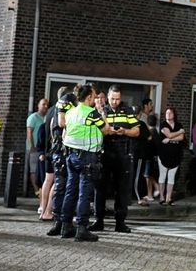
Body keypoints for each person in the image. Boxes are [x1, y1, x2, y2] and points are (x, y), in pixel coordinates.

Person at [58, 84, 104, 241]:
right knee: (84, 193)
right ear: (89, 97)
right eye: (94, 96)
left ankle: (65, 226)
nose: (95, 98)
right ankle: (82, 228)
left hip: (71, 156)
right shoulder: (91, 113)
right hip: (87, 157)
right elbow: (106, 129)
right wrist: (100, 110)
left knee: (70, 190)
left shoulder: (70, 112)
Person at [94, 85, 141, 232]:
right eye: (113, 99)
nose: (115, 102)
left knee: (122, 189)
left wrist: (125, 131)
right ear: (107, 97)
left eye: (118, 99)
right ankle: (98, 220)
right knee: (100, 188)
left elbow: (137, 131)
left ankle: (120, 222)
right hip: (105, 152)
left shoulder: (127, 111)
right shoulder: (102, 111)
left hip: (123, 153)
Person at [44, 86, 76, 235]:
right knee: (66, 187)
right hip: (64, 151)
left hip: (54, 151)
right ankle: (64, 222)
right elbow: (63, 126)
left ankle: (57, 219)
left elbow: (46, 130)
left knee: (58, 186)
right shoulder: (65, 109)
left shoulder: (51, 110)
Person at [157, 107, 185, 205]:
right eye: (166, 113)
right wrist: (179, 132)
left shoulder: (179, 125)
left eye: (170, 113)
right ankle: (161, 197)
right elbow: (169, 135)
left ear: (174, 114)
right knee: (163, 176)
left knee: (171, 177)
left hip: (176, 155)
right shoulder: (163, 125)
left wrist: (169, 139)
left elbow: (181, 138)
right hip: (164, 154)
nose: (168, 115)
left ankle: (168, 198)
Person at [26, 97, 50, 197]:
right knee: (33, 170)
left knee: (41, 170)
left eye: (47, 104)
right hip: (34, 148)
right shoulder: (33, 117)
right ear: (38, 105)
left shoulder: (47, 117)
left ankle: (41, 189)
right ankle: (37, 191)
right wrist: (32, 146)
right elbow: (29, 132)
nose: (45, 106)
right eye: (43, 104)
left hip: (43, 149)